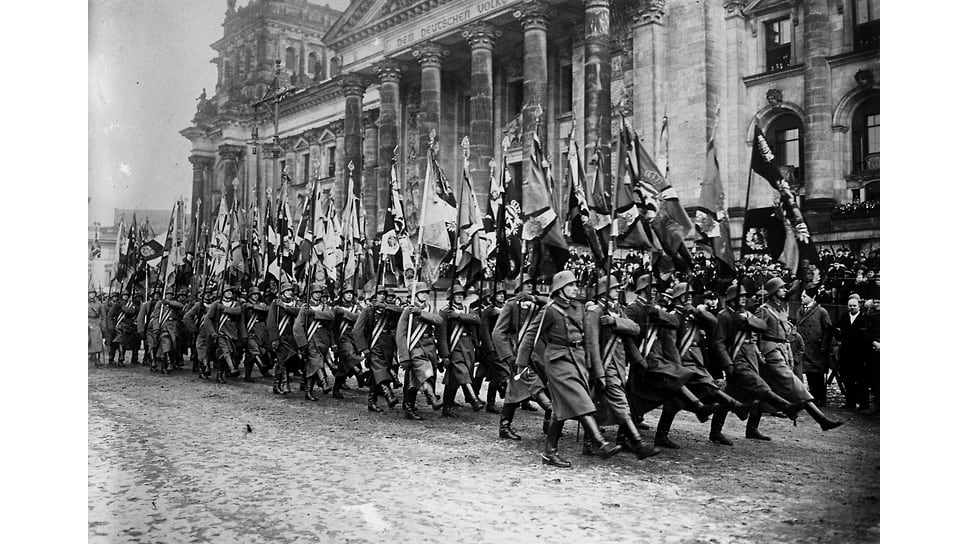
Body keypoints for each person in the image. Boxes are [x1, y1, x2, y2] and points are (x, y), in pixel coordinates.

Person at [516, 270, 622, 468]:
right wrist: (521, 363)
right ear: (560, 289)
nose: (575, 288)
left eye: (575, 285)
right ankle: (600, 442)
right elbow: (531, 335)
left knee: (560, 410)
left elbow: (587, 337)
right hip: (558, 360)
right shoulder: (550, 310)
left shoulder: (579, 307)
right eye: (570, 285)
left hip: (577, 359)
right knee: (580, 399)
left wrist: (591, 366)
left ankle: (550, 453)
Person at [657, 282, 756, 449]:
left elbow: (713, 322)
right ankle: (736, 408)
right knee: (685, 397)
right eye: (687, 295)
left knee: (696, 395)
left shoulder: (693, 315)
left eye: (691, 295)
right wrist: (678, 369)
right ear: (678, 297)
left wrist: (697, 311)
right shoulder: (673, 316)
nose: (690, 297)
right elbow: (670, 345)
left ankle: (716, 428)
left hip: (697, 363)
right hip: (683, 364)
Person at [709, 285, 801, 444]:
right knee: (760, 386)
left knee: (730, 396)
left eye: (745, 296)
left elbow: (762, 326)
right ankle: (786, 407)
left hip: (751, 359)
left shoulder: (745, 314)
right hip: (736, 360)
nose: (744, 299)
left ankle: (745, 429)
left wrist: (746, 320)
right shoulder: (724, 316)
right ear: (732, 299)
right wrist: (728, 364)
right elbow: (719, 343)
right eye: (740, 296)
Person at [583, 276, 661, 459]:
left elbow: (635, 328)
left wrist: (615, 322)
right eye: (613, 288)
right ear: (603, 291)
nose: (617, 291)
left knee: (597, 404)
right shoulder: (595, 312)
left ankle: (589, 443)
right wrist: (598, 372)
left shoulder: (617, 310)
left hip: (618, 364)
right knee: (621, 403)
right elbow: (592, 344)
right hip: (605, 365)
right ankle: (638, 444)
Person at [755, 278, 842, 431]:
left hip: (783, 351)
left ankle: (751, 428)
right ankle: (821, 419)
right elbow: (754, 335)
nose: (785, 290)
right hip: (770, 353)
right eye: (781, 288)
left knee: (762, 391)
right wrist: (759, 354)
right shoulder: (764, 310)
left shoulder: (780, 308)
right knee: (795, 385)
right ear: (773, 291)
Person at [491, 275, 553, 440]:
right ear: (519, 287)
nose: (530, 286)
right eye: (526, 284)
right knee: (515, 390)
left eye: (531, 283)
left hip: (538, 354)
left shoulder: (539, 304)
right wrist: (508, 357)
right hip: (518, 352)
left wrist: (534, 299)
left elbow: (553, 304)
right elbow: (498, 333)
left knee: (548, 385)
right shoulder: (511, 304)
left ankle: (549, 423)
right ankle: (505, 426)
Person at [396, 282, 447, 420]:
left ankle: (409, 408)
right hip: (415, 348)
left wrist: (420, 313)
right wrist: (404, 356)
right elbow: (400, 334)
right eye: (422, 293)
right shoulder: (408, 311)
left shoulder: (429, 309)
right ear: (416, 295)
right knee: (425, 374)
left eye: (426, 293)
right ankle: (432, 399)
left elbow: (439, 320)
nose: (425, 295)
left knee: (416, 380)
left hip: (429, 348)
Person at [353, 288, 405, 414]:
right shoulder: (368, 310)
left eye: (384, 294)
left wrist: (385, 306)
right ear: (374, 296)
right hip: (373, 346)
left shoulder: (389, 309)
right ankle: (389, 395)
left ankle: (372, 402)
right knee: (380, 370)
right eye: (379, 294)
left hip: (387, 347)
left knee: (375, 374)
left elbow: (402, 312)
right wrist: (364, 348)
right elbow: (357, 330)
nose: (382, 296)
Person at [439, 284, 486, 417]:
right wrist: (445, 355)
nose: (460, 297)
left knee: (454, 379)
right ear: (451, 297)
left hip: (468, 346)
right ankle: (473, 399)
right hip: (454, 347)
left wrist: (458, 316)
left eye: (461, 295)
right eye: (457, 295)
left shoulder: (466, 310)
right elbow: (442, 336)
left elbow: (477, 319)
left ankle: (447, 407)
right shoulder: (445, 312)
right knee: (462, 372)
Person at [293, 282, 336, 401]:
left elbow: (330, 316)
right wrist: (302, 343)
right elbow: (297, 327)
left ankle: (308, 391)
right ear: (311, 294)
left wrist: (314, 314)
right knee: (316, 361)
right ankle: (324, 383)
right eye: (315, 292)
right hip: (311, 338)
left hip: (323, 339)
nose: (318, 295)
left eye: (319, 293)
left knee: (312, 365)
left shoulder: (324, 307)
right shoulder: (305, 307)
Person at [833, 296, 874, 411]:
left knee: (861, 380)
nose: (852, 307)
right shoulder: (845, 317)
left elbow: (867, 337)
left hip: (859, 354)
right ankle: (850, 402)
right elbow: (838, 330)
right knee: (847, 378)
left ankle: (864, 404)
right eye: (850, 305)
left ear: (859, 306)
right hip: (846, 353)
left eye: (854, 305)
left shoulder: (864, 318)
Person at [796, 287, 834, 406]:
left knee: (818, 374)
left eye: (804, 296)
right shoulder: (800, 311)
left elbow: (828, 330)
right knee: (809, 373)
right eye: (801, 296)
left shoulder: (821, 312)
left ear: (812, 297)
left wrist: (824, 346)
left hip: (817, 348)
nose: (801, 298)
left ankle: (821, 398)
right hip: (805, 347)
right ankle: (813, 397)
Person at [331, 288, 368, 399]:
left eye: (351, 293)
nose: (349, 295)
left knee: (343, 365)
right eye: (346, 293)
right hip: (342, 338)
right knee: (349, 355)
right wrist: (333, 342)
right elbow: (331, 326)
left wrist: (345, 313)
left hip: (354, 338)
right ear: (342, 295)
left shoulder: (357, 307)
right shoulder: (336, 308)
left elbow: (358, 319)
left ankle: (336, 389)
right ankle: (358, 372)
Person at [205, 285, 246, 383]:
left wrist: (223, 308)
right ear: (222, 293)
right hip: (220, 332)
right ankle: (232, 368)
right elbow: (208, 319)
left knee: (224, 354)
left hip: (232, 332)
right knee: (225, 350)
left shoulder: (235, 304)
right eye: (227, 291)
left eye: (230, 291)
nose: (229, 293)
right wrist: (212, 332)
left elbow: (238, 311)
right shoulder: (216, 304)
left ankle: (220, 374)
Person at [268, 283, 303, 395]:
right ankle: (285, 383)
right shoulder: (275, 304)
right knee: (284, 358)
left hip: (292, 337)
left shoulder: (296, 303)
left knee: (282, 361)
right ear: (282, 292)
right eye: (287, 291)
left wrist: (284, 307)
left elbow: (299, 312)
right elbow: (271, 322)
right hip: (280, 336)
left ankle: (276, 384)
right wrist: (274, 338)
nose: (290, 293)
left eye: (291, 291)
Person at [241, 287, 272, 382]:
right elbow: (242, 320)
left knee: (265, 351)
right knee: (252, 353)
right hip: (250, 331)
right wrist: (243, 335)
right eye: (253, 294)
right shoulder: (245, 305)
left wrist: (257, 307)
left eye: (257, 294)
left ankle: (265, 370)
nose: (255, 296)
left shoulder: (262, 304)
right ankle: (248, 374)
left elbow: (268, 310)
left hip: (261, 331)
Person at [154, 289, 186, 375]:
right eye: (168, 294)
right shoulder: (160, 304)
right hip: (164, 327)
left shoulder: (174, 304)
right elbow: (156, 317)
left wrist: (169, 302)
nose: (169, 296)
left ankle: (169, 363)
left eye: (171, 294)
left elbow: (181, 306)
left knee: (173, 346)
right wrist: (156, 328)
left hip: (174, 328)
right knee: (166, 345)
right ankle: (166, 364)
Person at [89, 289, 105, 366]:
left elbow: (103, 316)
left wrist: (103, 325)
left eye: (93, 293)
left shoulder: (99, 304)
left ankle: (98, 359)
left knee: (98, 341)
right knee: (89, 341)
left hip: (97, 323)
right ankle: (91, 357)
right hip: (87, 322)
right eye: (90, 293)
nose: (92, 295)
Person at [104, 292, 121, 365]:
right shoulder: (107, 305)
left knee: (114, 343)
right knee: (109, 342)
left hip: (116, 324)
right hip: (108, 325)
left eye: (116, 297)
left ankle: (112, 358)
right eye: (114, 297)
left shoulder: (118, 304)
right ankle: (110, 358)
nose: (115, 298)